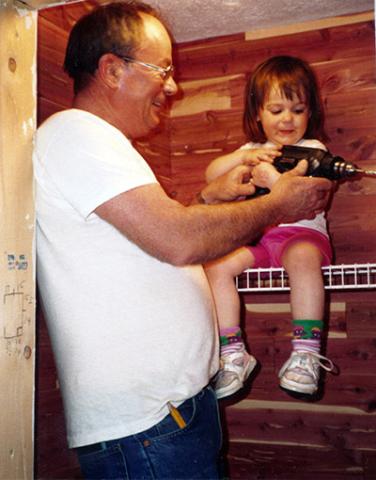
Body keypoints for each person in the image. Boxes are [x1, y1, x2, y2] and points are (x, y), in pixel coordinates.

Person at [33, 3, 332, 478]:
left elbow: (153, 236)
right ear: (112, 70)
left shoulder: (103, 145)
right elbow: (176, 240)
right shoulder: (76, 133)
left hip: (173, 410)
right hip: (146, 422)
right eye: (162, 70)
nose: (173, 86)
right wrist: (278, 206)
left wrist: (207, 201)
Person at [205, 55, 335, 401]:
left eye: (297, 109)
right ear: (258, 114)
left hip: (302, 235)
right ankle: (233, 353)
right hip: (261, 241)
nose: (287, 119)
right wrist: (243, 158)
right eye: (276, 110)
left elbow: (311, 195)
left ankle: (306, 352)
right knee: (216, 266)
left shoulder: (313, 150)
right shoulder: (253, 149)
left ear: (310, 113)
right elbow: (211, 172)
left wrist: (273, 179)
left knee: (304, 261)